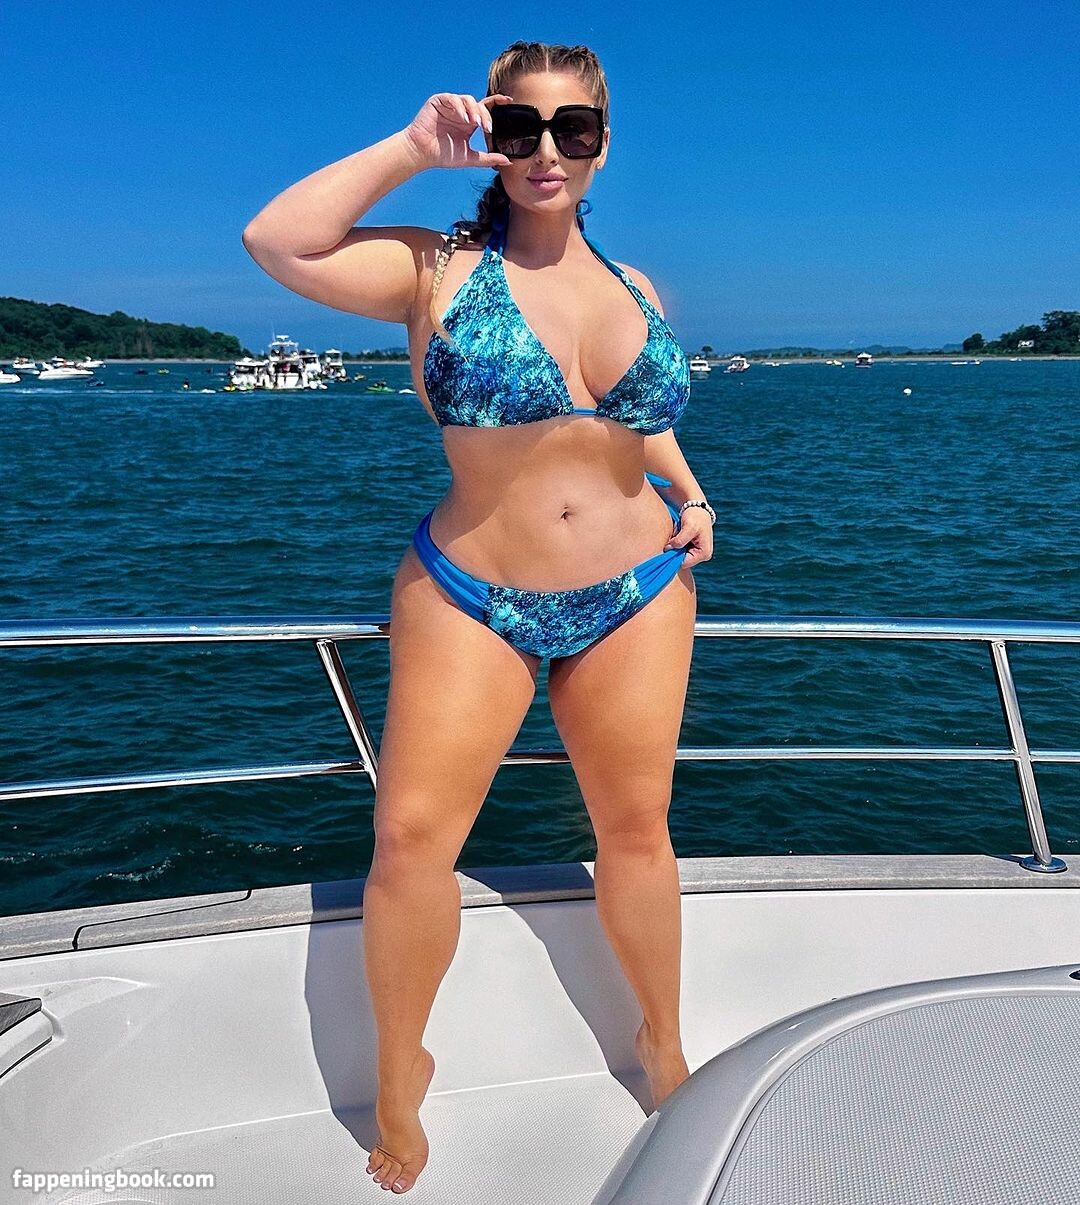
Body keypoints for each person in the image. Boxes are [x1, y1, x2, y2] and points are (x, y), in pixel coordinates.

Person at [242, 39, 714, 1196]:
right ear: (492, 137)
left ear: (602, 145)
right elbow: (277, 240)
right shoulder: (433, 268)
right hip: (472, 593)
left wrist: (693, 492)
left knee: (636, 830)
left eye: (572, 128)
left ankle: (661, 1036)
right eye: (519, 126)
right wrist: (413, 148)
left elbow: (631, 424)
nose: (546, 149)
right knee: (409, 842)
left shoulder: (639, 288)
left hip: (639, 588)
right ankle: (400, 1073)